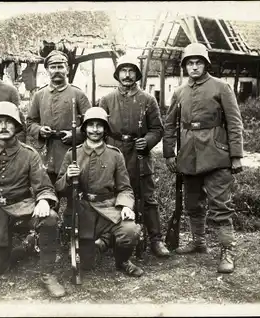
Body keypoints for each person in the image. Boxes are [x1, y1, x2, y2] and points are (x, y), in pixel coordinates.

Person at [0, 101, 66, 298]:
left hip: (22, 208)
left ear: (17, 126)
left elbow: (44, 186)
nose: (3, 127)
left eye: (9, 122)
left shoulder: (29, 155)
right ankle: (27, 245)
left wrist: (44, 201)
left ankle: (48, 274)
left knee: (50, 218)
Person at [163, 43, 244, 274]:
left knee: (220, 205)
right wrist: (169, 153)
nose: (194, 67)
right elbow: (170, 124)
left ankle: (227, 250)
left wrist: (236, 155)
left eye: (198, 62)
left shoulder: (221, 87)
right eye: (190, 63)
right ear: (185, 66)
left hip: (217, 154)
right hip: (188, 156)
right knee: (192, 202)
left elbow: (234, 122)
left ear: (206, 64)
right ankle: (199, 242)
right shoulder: (179, 92)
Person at [55, 107, 144, 277]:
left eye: (99, 125)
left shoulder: (115, 155)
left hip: (108, 209)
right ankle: (101, 242)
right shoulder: (73, 154)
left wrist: (125, 206)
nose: (95, 129)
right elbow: (59, 188)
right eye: (91, 125)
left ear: (105, 129)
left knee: (130, 231)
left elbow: (125, 188)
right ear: (84, 128)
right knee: (86, 265)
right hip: (83, 211)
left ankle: (122, 260)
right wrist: (67, 177)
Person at [98, 55, 170, 258]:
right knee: (113, 196)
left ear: (137, 74)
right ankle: (113, 238)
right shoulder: (106, 100)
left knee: (147, 198)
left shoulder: (148, 99)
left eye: (131, 71)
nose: (127, 75)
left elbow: (157, 128)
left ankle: (156, 239)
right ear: (117, 74)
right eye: (123, 70)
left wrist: (147, 141)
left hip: (140, 155)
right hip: (114, 152)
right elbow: (99, 128)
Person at [26, 50, 91, 230]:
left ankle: (70, 229)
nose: (56, 70)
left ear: (67, 69)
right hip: (47, 154)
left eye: (60, 66)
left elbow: (92, 123)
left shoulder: (78, 95)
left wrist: (75, 134)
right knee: (48, 191)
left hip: (71, 153)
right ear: (47, 70)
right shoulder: (39, 95)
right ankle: (48, 229)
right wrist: (40, 130)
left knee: (73, 193)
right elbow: (30, 122)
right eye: (52, 67)